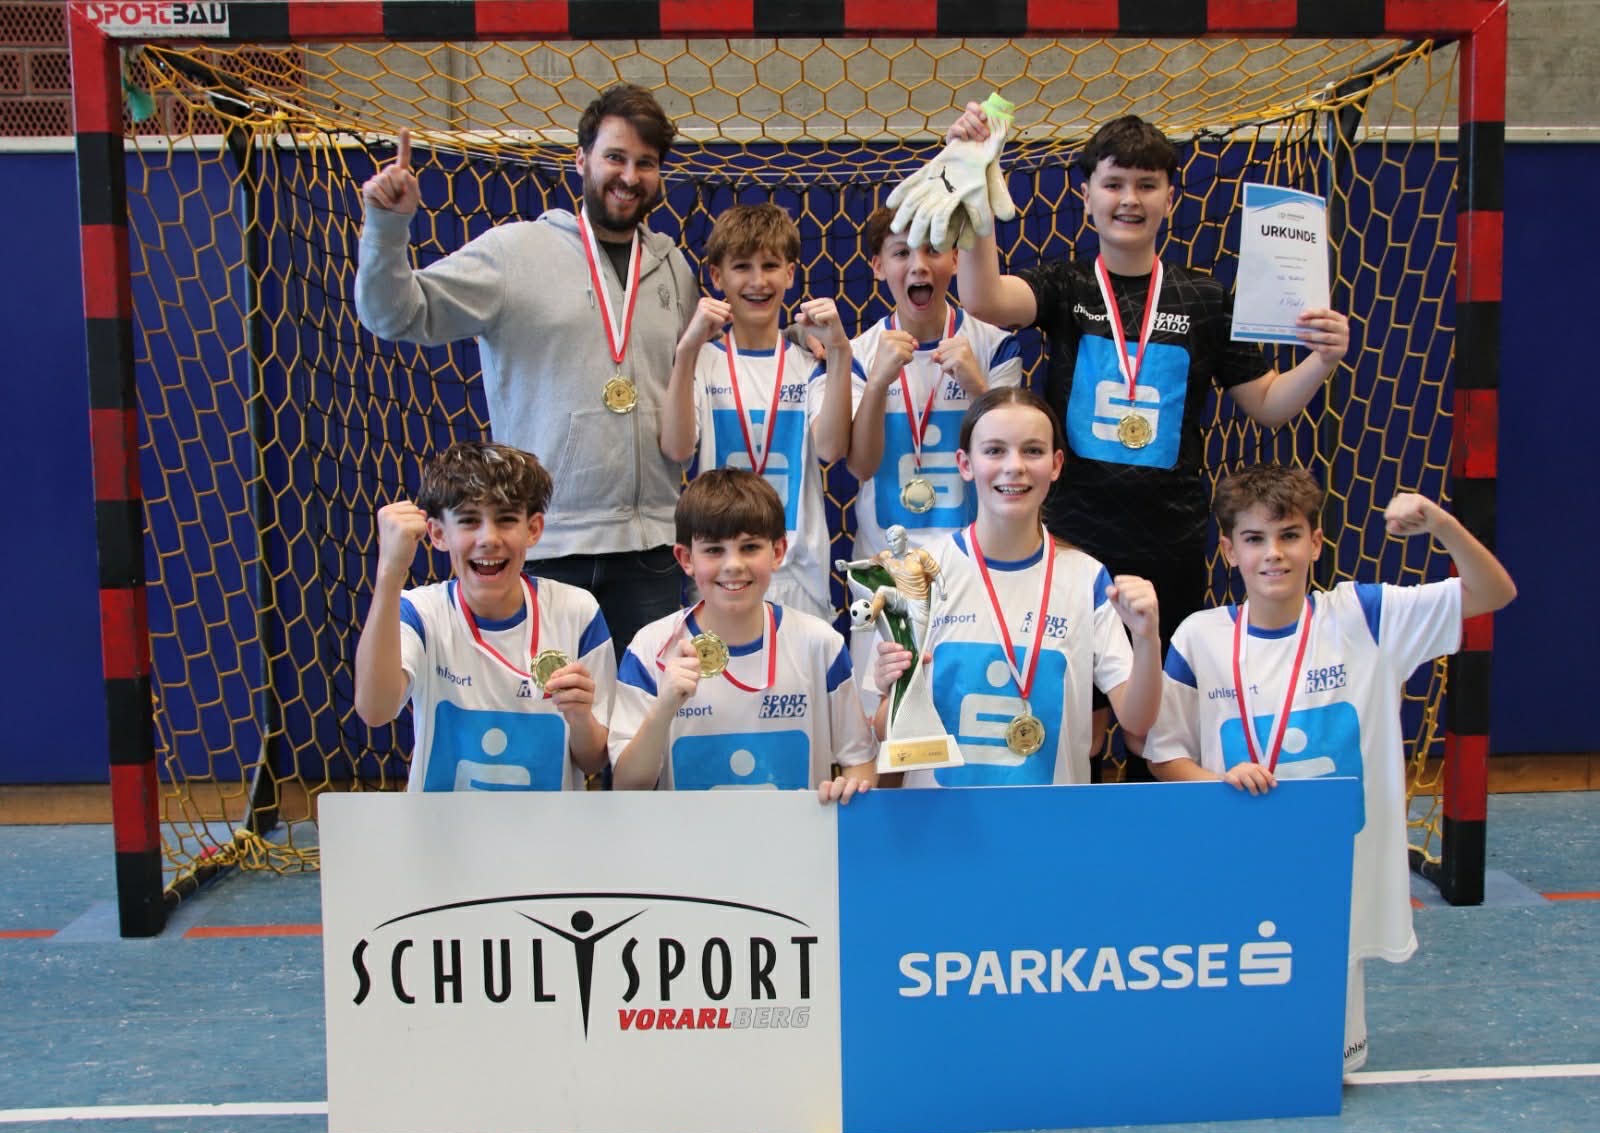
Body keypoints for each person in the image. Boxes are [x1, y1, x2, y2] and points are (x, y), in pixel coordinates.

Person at [930, 105, 1351, 777]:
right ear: (1087, 194)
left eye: (1147, 184)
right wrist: (979, 184)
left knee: (1157, 735)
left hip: (1171, 544)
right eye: (1114, 182)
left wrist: (1321, 360)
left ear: (1170, 198)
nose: (1130, 198)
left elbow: (1268, 405)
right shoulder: (1067, 284)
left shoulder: (1208, 298)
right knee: (1083, 725)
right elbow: (983, 297)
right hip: (1073, 541)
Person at [1141, 463, 1516, 1073]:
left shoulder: (1364, 616)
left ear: (1316, 542)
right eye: (1255, 539)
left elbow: (1494, 592)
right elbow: (1164, 754)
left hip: (1341, 870)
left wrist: (1442, 524)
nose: (1274, 554)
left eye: (1289, 535)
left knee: (1325, 1070)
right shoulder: (1199, 638)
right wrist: (1219, 784)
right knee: (1235, 1061)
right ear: (1229, 551)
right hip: (1239, 865)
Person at [355, 83, 697, 655]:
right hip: (545, 544)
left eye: (646, 163)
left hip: (652, 552)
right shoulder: (515, 254)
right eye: (615, 157)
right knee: (554, 728)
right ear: (581, 158)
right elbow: (396, 315)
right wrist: (387, 228)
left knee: (651, 726)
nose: (629, 176)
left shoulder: (674, 269)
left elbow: (700, 378)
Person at [869, 387, 1162, 786]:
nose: (1014, 466)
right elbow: (885, 732)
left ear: (1056, 464)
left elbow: (1137, 720)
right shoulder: (915, 577)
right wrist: (895, 690)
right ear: (965, 463)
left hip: (1049, 826)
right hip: (943, 827)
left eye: (1033, 451)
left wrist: (1147, 639)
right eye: (994, 451)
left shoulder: (1087, 578)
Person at [353, 441, 616, 792]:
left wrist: (580, 717)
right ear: (437, 533)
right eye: (469, 521)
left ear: (533, 529)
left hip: (549, 839)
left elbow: (593, 759)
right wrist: (390, 572)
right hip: (443, 838)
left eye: (506, 520)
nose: (488, 539)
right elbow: (375, 710)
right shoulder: (420, 612)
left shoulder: (577, 611)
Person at [845, 207, 1022, 710]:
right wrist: (878, 380)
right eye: (902, 253)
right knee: (886, 726)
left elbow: (1016, 451)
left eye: (932, 250)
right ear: (878, 265)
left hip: (974, 571)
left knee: (965, 712)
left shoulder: (993, 344)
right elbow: (858, 467)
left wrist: (977, 386)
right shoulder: (861, 353)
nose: (918, 265)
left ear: (955, 259)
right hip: (886, 574)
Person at [609, 469, 876, 802]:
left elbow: (860, 763)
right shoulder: (650, 647)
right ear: (686, 559)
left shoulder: (820, 643)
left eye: (749, 547)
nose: (733, 564)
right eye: (714, 550)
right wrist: (663, 709)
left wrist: (851, 788)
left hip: (796, 849)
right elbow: (627, 785)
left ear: (778, 552)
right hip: (685, 850)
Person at [660, 202, 854, 622]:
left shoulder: (809, 361)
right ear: (717, 276)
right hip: (720, 568)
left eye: (770, 265)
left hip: (797, 569)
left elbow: (832, 448)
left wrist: (839, 351)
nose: (757, 281)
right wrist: (687, 349)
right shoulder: (702, 360)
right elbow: (676, 448)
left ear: (789, 273)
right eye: (742, 266)